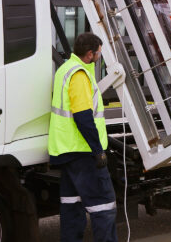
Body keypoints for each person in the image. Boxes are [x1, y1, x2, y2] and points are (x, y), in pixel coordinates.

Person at [48, 32, 117, 242]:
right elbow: (83, 117)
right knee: (103, 206)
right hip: (83, 152)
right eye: (98, 53)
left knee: (72, 206)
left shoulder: (65, 69)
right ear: (89, 54)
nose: (99, 57)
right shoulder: (79, 75)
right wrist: (98, 150)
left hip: (66, 150)